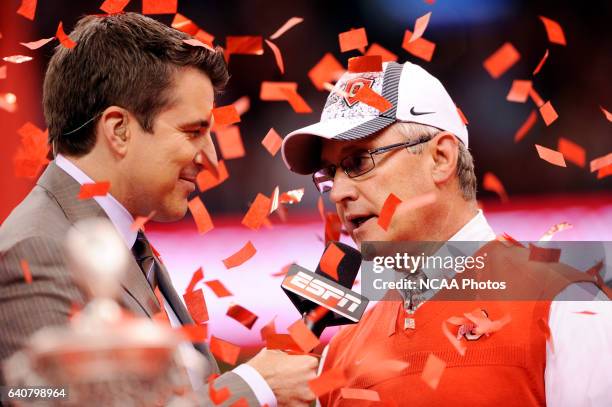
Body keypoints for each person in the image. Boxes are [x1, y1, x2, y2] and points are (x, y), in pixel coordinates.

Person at [0, 12, 316, 407]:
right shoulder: (37, 248)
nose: (211, 158)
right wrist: (250, 389)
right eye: (193, 131)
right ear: (119, 130)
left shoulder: (122, 241)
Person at [281, 61, 611, 406]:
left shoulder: (565, 305)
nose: (338, 193)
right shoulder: (341, 350)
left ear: (440, 158)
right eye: (331, 173)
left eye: (358, 163)